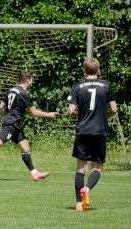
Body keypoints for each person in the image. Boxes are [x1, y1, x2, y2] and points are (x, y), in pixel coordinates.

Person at [67, 58, 117, 212]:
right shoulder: (106, 85)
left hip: (83, 130)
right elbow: (114, 109)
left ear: (84, 71)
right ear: (98, 70)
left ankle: (78, 203)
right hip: (100, 131)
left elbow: (71, 111)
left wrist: (81, 116)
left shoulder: (77, 86)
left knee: (81, 168)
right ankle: (87, 189)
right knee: (97, 167)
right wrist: (103, 117)